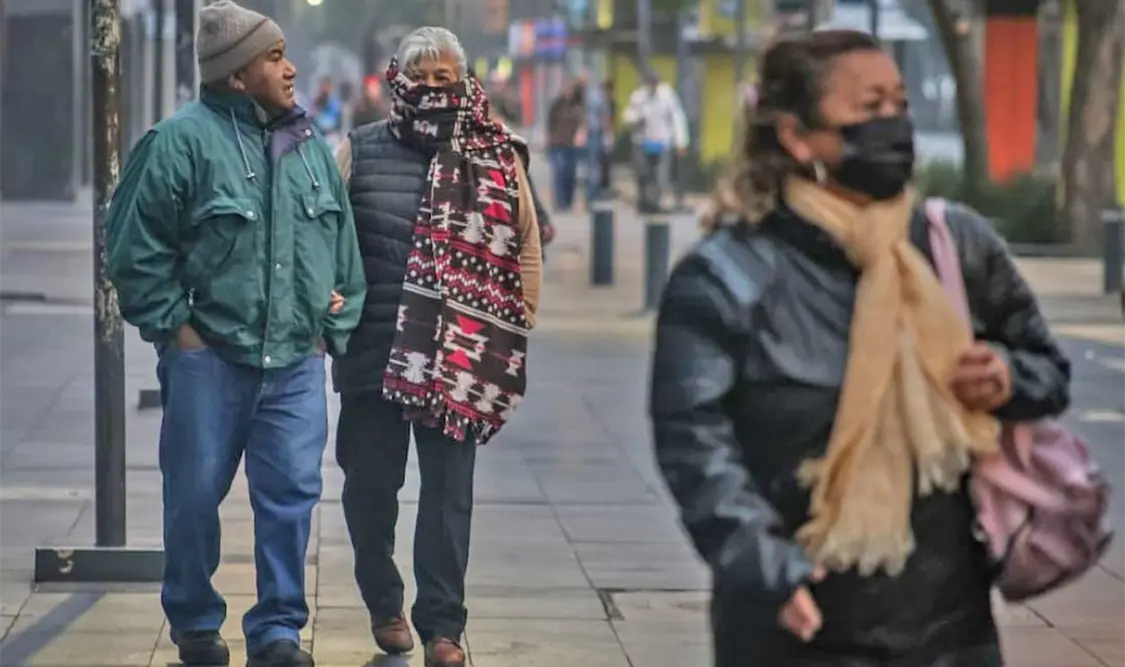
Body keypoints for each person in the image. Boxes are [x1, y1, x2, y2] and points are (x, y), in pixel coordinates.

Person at [649, 30, 1070, 667]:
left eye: (898, 105)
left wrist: (1008, 376)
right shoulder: (728, 275)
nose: (894, 125)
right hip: (798, 622)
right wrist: (765, 567)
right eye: (868, 109)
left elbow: (1048, 369)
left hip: (951, 627)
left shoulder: (954, 245)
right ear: (796, 136)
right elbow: (692, 438)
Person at [104, 2, 367, 667]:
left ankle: (278, 631)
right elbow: (134, 250)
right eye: (275, 57)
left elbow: (342, 248)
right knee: (191, 497)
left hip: (293, 366)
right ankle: (195, 622)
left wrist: (327, 325)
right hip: (209, 361)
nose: (291, 67)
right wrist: (177, 331)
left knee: (291, 501)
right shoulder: (178, 142)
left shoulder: (308, 147)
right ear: (236, 73)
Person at [331, 26, 543, 667]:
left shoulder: (497, 154)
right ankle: (383, 601)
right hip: (375, 354)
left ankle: (443, 626)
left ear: (463, 81)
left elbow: (524, 240)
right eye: (419, 77)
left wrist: (517, 316)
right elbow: (328, 237)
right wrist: (328, 308)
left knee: (449, 496)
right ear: (398, 80)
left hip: (460, 359)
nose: (431, 89)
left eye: (443, 78)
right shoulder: (360, 151)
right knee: (370, 487)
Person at [623, 71, 688, 212]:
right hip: (642, 142)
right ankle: (644, 200)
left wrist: (681, 142)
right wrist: (637, 117)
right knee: (643, 173)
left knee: (660, 175)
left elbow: (677, 118)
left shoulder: (667, 95)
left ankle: (654, 203)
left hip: (661, 142)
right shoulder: (638, 97)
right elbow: (628, 117)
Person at [545, 78, 586, 211]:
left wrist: (580, 134)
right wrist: (549, 139)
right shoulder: (557, 105)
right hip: (557, 144)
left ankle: (568, 201)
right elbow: (550, 123)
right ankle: (560, 202)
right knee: (559, 173)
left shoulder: (577, 106)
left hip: (572, 145)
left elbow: (582, 124)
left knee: (570, 174)